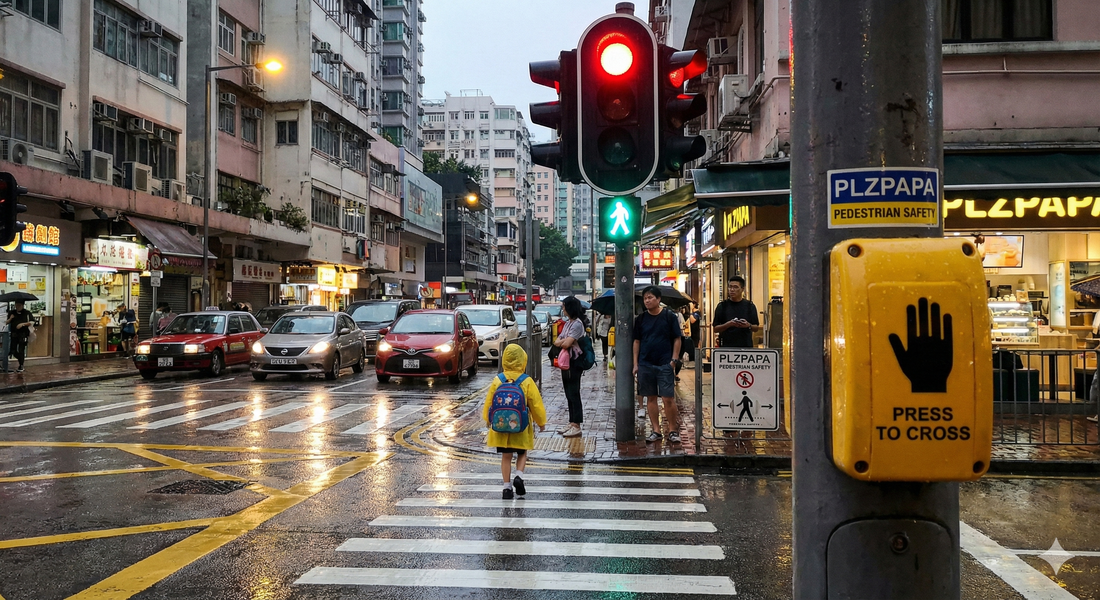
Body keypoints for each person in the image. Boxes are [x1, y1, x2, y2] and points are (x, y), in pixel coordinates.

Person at [483, 344, 547, 499]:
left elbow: (489, 402)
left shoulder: (498, 380)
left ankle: (506, 488)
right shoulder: (527, 381)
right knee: (522, 453)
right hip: (521, 426)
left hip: (501, 428)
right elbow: (536, 404)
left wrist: (487, 419)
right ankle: (519, 475)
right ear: (522, 360)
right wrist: (541, 422)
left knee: (506, 457)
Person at [633, 286, 683, 443]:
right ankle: (656, 430)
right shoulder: (640, 319)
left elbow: (677, 338)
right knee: (651, 398)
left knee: (668, 398)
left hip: (665, 364)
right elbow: (636, 341)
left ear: (658, 299)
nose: (647, 300)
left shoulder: (669, 316)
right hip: (645, 363)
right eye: (645, 298)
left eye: (650, 297)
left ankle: (673, 430)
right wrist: (635, 364)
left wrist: (673, 360)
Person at [553, 296, 588, 438]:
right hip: (566, 362)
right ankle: (572, 422)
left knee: (574, 393)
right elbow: (556, 340)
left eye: (564, 306)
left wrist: (562, 342)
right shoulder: (568, 323)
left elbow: (566, 343)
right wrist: (562, 341)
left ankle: (577, 424)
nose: (563, 309)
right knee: (568, 393)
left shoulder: (577, 324)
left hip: (574, 362)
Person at [713, 276, 761, 348]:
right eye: (730, 287)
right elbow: (715, 328)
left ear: (742, 289)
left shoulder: (749, 306)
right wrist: (728, 324)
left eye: (735, 287)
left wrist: (748, 325)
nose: (732, 290)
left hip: (745, 346)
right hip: (727, 346)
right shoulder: (722, 306)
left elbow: (756, 328)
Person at [7, 301, 34, 372]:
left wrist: (23, 324)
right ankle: (20, 359)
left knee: (21, 349)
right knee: (13, 350)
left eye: (19, 305)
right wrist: (10, 318)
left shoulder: (27, 313)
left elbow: (32, 322)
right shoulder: (12, 312)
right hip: (14, 334)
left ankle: (21, 365)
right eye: (16, 305)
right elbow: (6, 322)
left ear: (22, 305)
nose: (17, 307)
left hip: (23, 334)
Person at [0, 301, 9, 373]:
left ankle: (4, 367)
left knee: (5, 349)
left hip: (4, 330)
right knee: (4, 349)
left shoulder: (4, 304)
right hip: (4, 329)